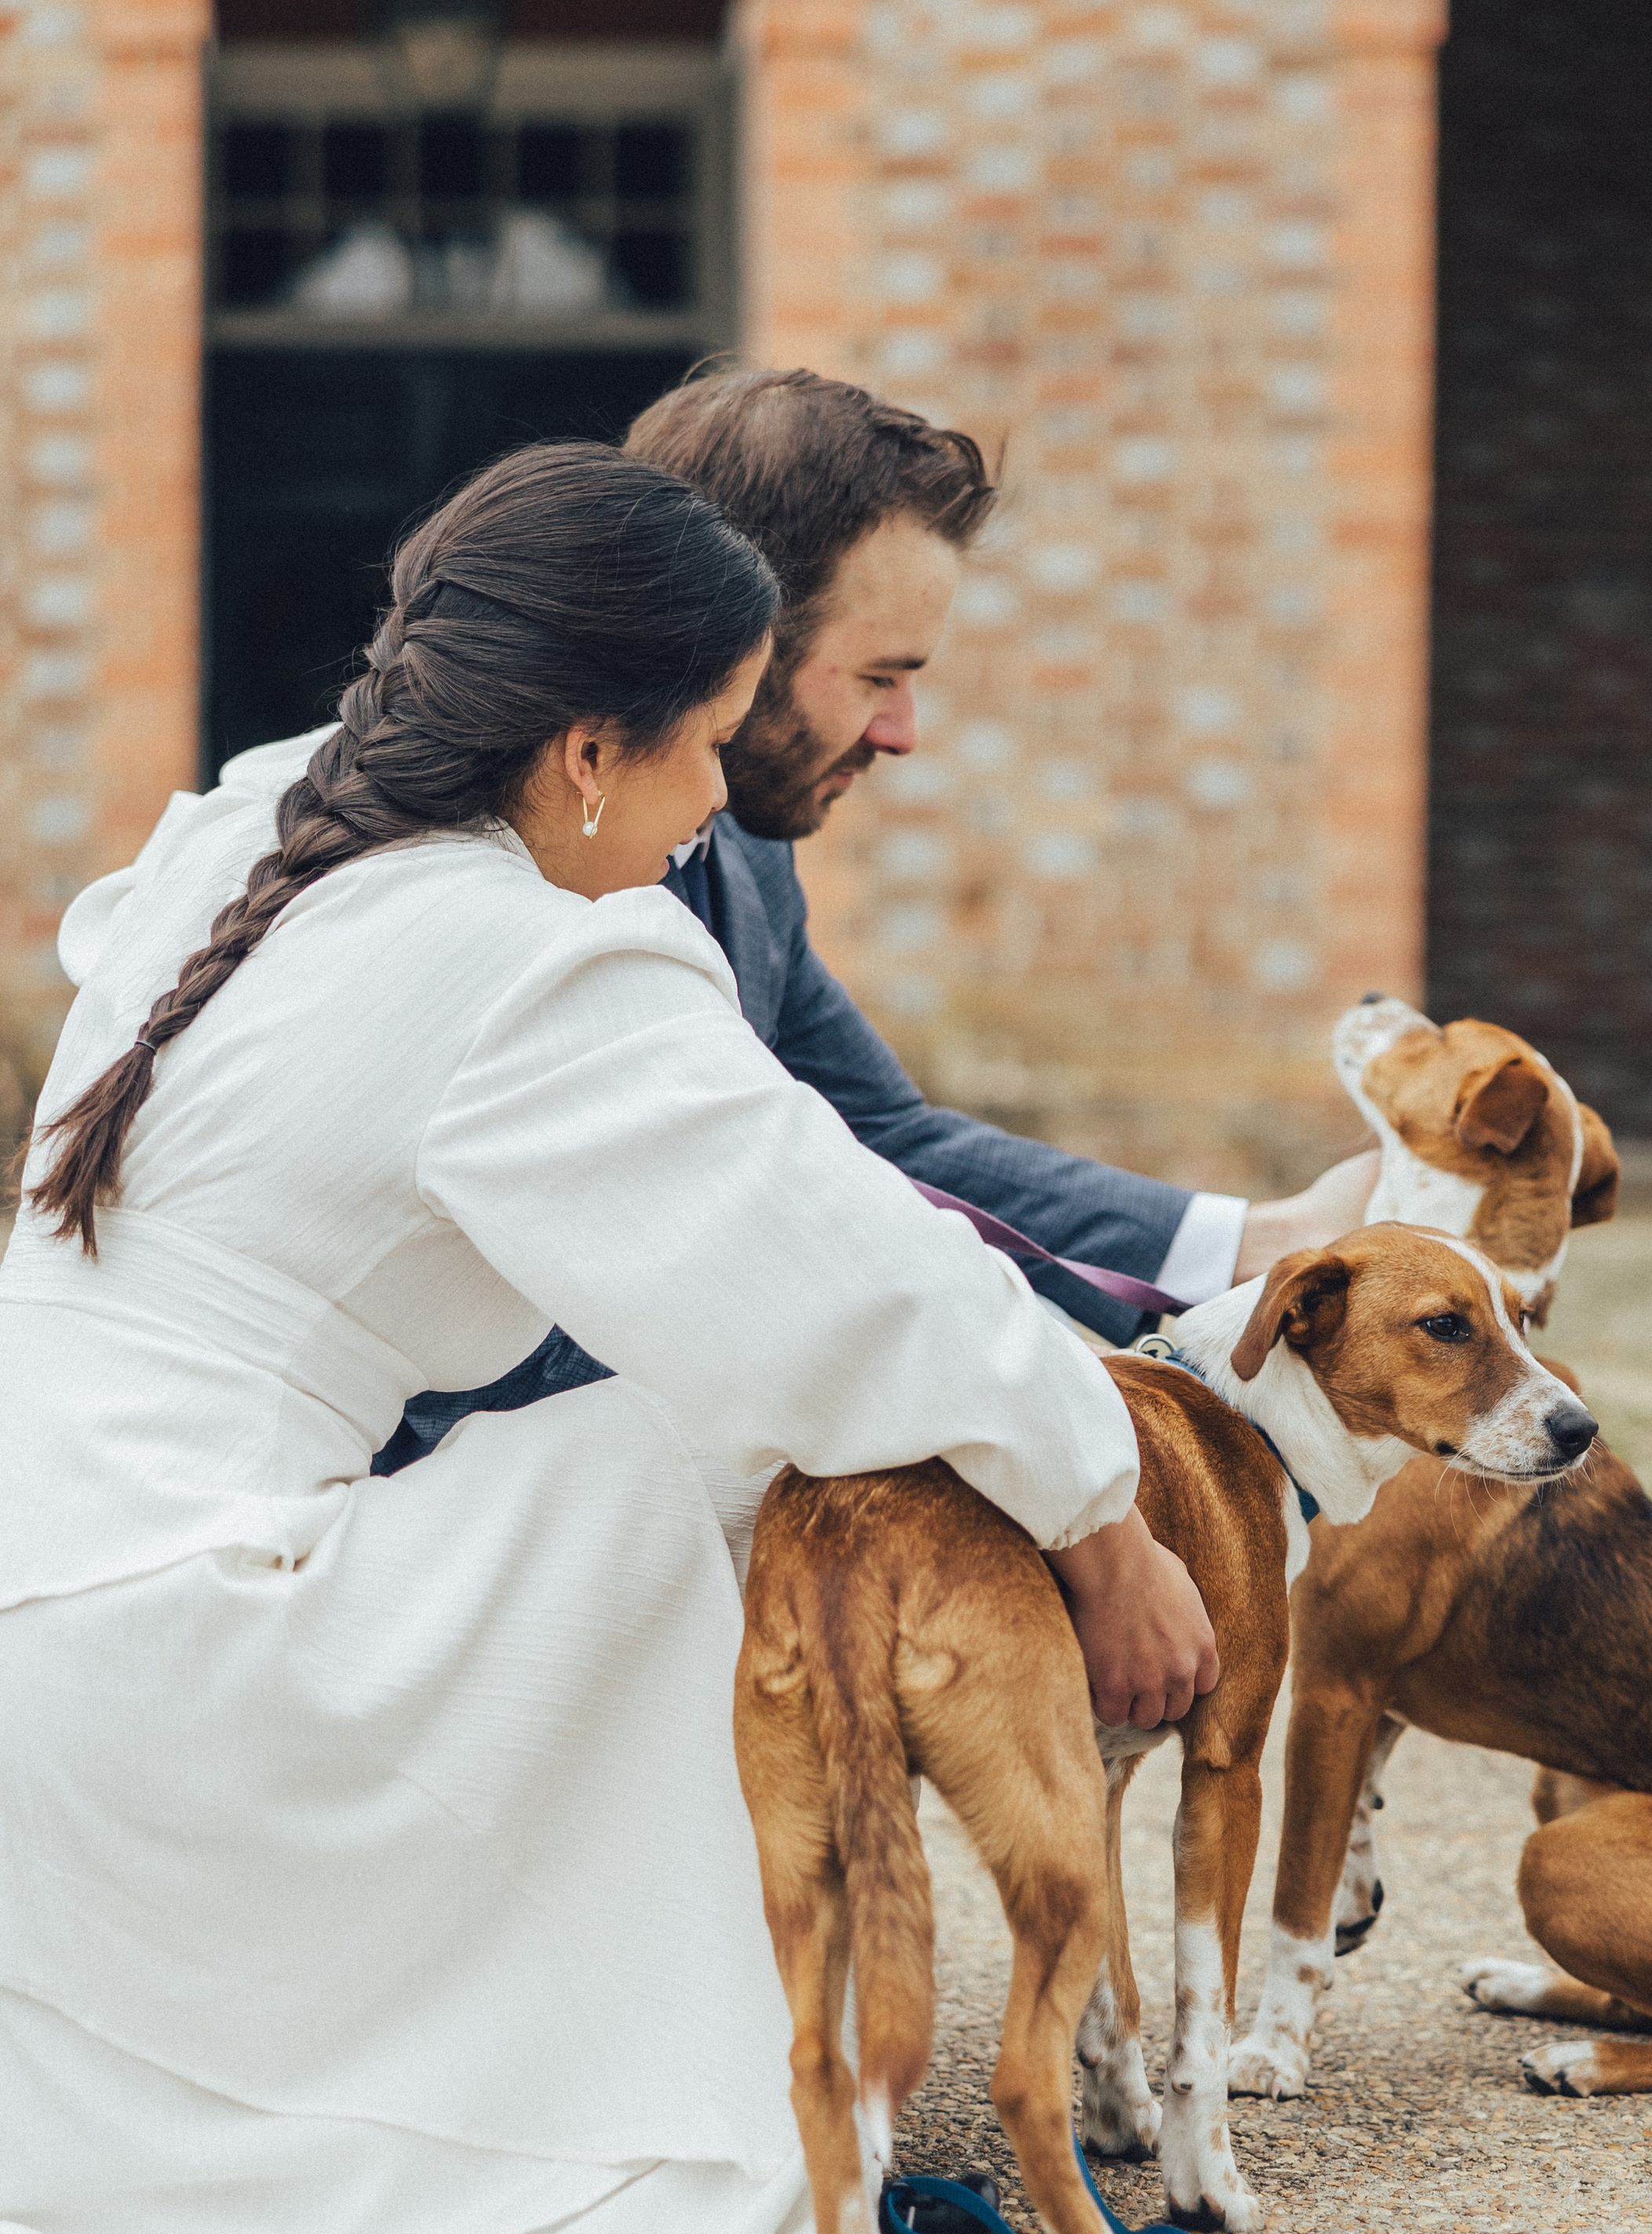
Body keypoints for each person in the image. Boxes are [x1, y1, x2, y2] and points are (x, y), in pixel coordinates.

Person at [0, 444, 1213, 2234]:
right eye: (710, 745)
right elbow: (864, 1284)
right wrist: (1104, 1524)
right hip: (186, 1669)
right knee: (709, 1452)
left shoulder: (261, 832)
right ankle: (695, 2040)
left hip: (55, 1638)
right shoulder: (530, 962)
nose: (718, 802)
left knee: (697, 1419)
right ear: (584, 754)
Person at [354, 367, 1380, 1473]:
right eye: (879, 677)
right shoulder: (494, 886)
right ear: (727, 634)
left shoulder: (746, 849)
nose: (904, 733)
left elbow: (882, 1138)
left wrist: (1256, 1246)